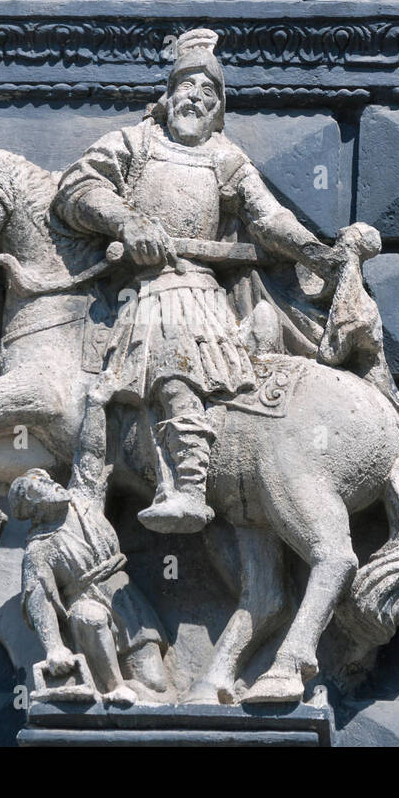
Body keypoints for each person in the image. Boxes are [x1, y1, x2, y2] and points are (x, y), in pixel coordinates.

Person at [53, 28, 344, 533]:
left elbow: (269, 219)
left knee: (176, 359)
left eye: (209, 92)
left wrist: (318, 254)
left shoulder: (224, 158)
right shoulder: (134, 142)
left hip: (194, 288)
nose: (197, 97)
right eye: (188, 84)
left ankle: (188, 485)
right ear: (168, 95)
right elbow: (79, 187)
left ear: (219, 108)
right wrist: (126, 222)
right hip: (135, 287)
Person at [10, 372, 169, 704]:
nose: (51, 484)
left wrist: (95, 404)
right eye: (38, 486)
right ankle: (112, 686)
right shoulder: (40, 549)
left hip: (124, 594)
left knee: (155, 685)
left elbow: (91, 455)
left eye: (49, 481)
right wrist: (54, 647)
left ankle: (140, 696)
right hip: (87, 603)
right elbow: (36, 600)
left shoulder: (83, 499)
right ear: (32, 507)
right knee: (89, 617)